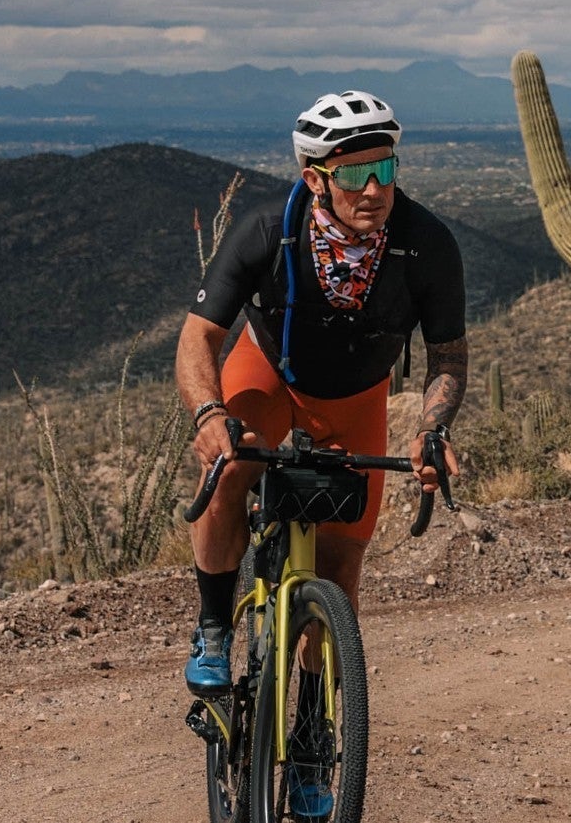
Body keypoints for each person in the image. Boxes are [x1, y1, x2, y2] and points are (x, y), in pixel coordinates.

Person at [175, 90, 466, 716]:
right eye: (354, 174)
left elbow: (447, 356)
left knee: (339, 570)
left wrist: (432, 431)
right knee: (231, 468)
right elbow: (199, 334)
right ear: (315, 179)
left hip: (358, 397)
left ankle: (311, 730)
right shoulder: (265, 231)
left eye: (384, 169)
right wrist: (207, 415)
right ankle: (213, 629)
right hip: (270, 375)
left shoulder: (428, 244)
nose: (373, 189)